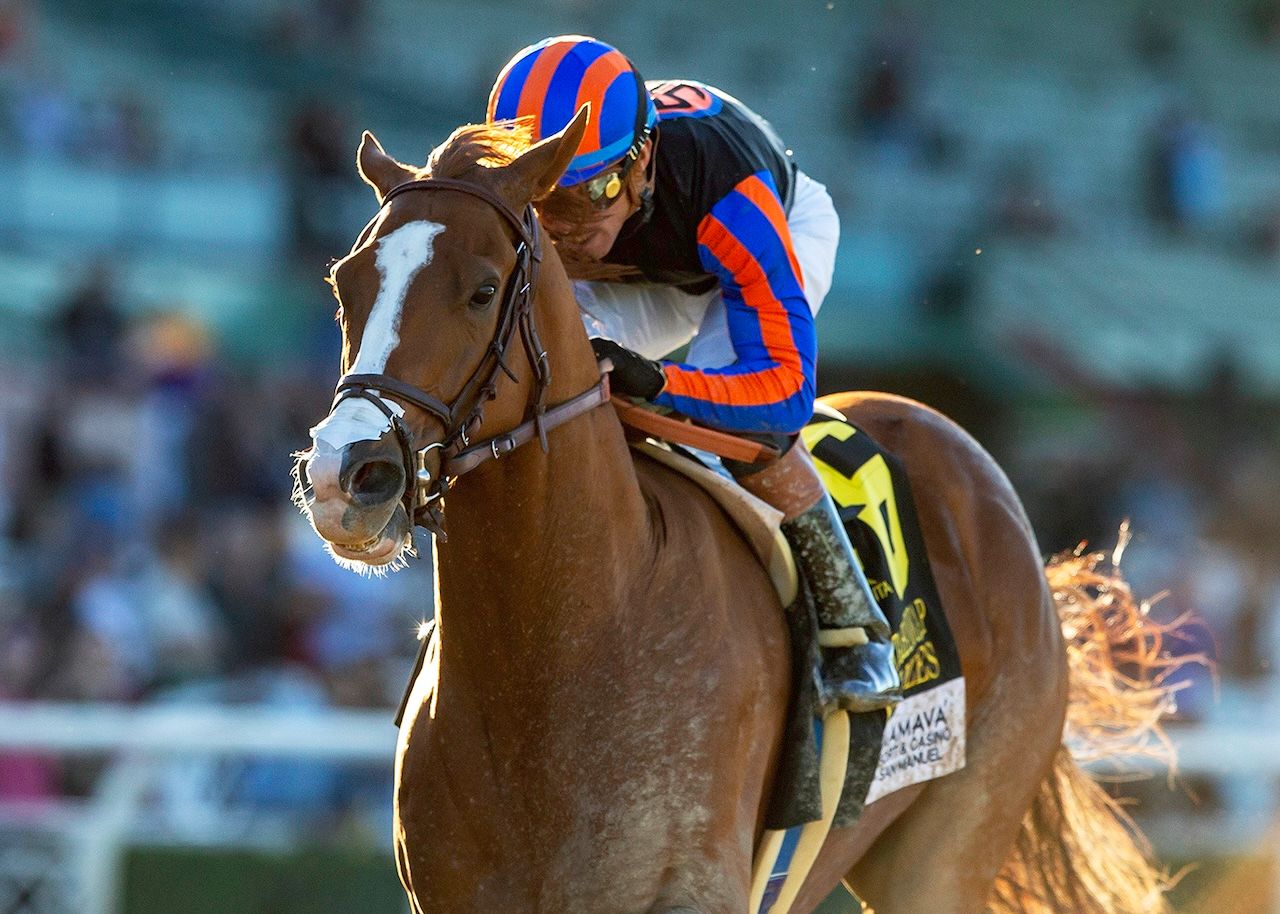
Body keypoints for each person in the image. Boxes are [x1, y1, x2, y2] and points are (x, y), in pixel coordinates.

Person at [487, 35, 900, 713]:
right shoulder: (526, 197)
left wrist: (660, 383)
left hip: (754, 239)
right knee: (541, 381)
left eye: (595, 189)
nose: (567, 226)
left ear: (642, 157)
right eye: (543, 198)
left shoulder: (728, 188)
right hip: (638, 267)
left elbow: (782, 400)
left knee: (718, 432)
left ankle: (853, 621)